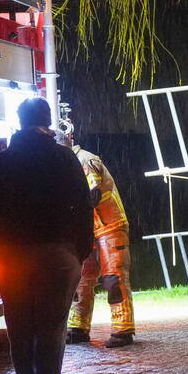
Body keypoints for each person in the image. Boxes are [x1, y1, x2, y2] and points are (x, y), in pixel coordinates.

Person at [0, 98, 93, 374]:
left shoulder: (3, 161)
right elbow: (83, 207)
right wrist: (78, 251)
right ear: (47, 122)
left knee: (19, 325)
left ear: (19, 122)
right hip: (57, 255)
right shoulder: (63, 158)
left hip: (12, 257)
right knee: (51, 325)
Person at [60, 132, 135, 348]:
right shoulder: (70, 162)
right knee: (82, 278)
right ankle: (78, 328)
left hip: (110, 227)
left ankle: (122, 330)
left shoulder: (83, 161)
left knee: (113, 277)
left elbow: (91, 195)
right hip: (91, 227)